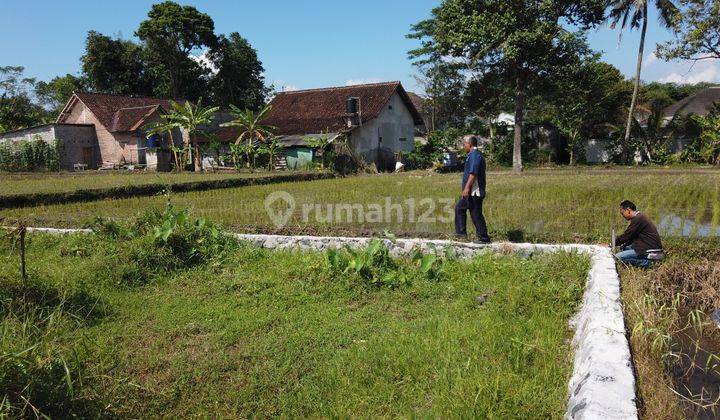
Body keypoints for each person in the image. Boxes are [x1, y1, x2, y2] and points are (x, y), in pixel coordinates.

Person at [454, 136, 491, 243]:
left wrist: (466, 188)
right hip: (472, 190)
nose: (463, 146)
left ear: (469, 144)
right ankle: (464, 234)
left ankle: (481, 237)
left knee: (472, 212)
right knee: (469, 211)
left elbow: (473, 174)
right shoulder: (472, 155)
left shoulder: (475, 156)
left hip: (474, 191)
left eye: (464, 144)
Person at [613, 200, 663, 268]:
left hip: (651, 251)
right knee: (625, 247)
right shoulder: (639, 217)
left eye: (622, 213)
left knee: (617, 257)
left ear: (628, 210)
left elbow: (627, 235)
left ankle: (649, 263)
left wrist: (612, 244)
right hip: (647, 248)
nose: (623, 216)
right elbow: (631, 237)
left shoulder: (638, 219)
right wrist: (621, 244)